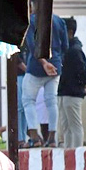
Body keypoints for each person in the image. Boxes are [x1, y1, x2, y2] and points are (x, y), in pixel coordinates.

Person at [21, 12, 68, 147]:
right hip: (55, 67)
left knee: (28, 100)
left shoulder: (33, 20)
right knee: (51, 101)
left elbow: (32, 45)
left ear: (31, 5)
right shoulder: (59, 21)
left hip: (36, 67)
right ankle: (52, 138)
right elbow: (65, 46)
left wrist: (44, 63)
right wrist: (56, 61)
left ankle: (35, 137)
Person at [56, 17, 86, 148]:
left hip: (71, 93)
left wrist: (80, 86)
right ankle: (69, 152)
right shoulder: (69, 49)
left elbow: (82, 72)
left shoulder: (74, 50)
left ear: (69, 32)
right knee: (66, 127)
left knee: (74, 126)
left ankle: (76, 151)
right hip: (66, 92)